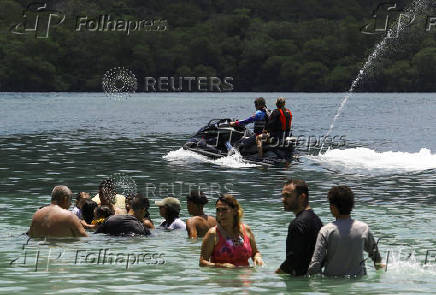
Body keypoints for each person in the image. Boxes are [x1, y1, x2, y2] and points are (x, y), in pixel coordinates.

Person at [308, 186, 385, 276]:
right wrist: (378, 265)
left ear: (333, 208)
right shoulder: (363, 228)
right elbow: (376, 258)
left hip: (332, 283)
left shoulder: (326, 231)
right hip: (359, 283)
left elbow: (315, 265)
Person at [199, 194, 264, 268]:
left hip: (246, 278)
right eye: (218, 210)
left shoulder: (246, 230)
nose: (220, 214)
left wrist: (258, 258)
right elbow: (202, 263)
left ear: (235, 210)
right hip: (221, 278)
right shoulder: (213, 234)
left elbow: (255, 252)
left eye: (224, 210)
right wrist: (221, 265)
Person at [275, 179, 322, 276]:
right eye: (283, 195)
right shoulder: (317, 220)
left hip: (298, 281)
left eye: (287, 196)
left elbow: (292, 261)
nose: (283, 199)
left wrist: (275, 275)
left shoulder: (297, 224)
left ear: (302, 197)